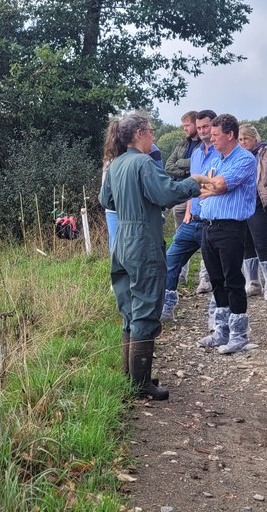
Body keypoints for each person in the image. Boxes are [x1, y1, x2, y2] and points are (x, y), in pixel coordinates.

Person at [100, 111, 201, 400]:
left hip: (121, 240)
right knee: (145, 308)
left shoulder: (116, 163)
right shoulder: (143, 163)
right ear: (139, 133)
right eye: (151, 131)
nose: (154, 136)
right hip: (143, 241)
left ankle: (130, 376)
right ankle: (141, 383)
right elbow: (167, 194)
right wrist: (194, 182)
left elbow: (106, 200)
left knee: (129, 309)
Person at [193, 114, 259, 355]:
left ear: (230, 135)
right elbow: (202, 189)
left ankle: (239, 334)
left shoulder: (244, 159)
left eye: (215, 134)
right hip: (209, 227)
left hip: (230, 227)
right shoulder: (216, 160)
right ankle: (221, 331)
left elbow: (220, 184)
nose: (211, 139)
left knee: (233, 279)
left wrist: (209, 184)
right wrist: (211, 186)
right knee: (216, 279)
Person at [161, 110, 217, 322]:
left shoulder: (222, 153)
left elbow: (218, 186)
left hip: (214, 222)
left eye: (206, 127)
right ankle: (166, 308)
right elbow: (195, 186)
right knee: (171, 259)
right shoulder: (195, 154)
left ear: (215, 126)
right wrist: (188, 210)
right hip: (193, 218)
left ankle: (219, 318)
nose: (202, 131)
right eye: (200, 127)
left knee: (217, 270)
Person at [238, 123, 267, 301]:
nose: (243, 142)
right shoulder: (238, 156)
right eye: (240, 139)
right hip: (242, 203)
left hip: (259, 202)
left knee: (261, 242)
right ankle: (253, 282)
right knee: (246, 243)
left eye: (246, 139)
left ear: (255, 138)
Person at [166, 110, 200, 286]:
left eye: (187, 125)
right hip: (180, 194)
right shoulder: (181, 145)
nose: (185, 128)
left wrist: (184, 165)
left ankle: (205, 278)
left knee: (205, 242)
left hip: (198, 195)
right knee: (180, 236)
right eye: (183, 126)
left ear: (195, 124)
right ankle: (180, 274)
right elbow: (169, 165)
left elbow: (198, 165)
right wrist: (188, 173)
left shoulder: (204, 145)